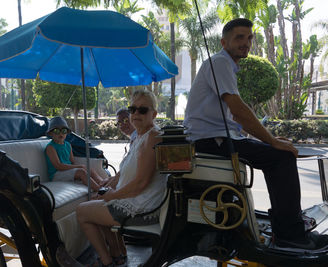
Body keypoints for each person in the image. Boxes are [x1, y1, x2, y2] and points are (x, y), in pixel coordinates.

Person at [183, 18, 328, 250]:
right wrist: (272, 141)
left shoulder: (225, 65)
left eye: (249, 37)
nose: (246, 43)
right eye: (239, 37)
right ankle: (290, 235)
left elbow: (235, 116)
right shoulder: (219, 62)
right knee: (282, 158)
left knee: (278, 151)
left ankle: (283, 225)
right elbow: (238, 110)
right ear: (224, 41)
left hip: (218, 138)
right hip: (210, 141)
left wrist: (269, 140)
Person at [76, 89, 167, 267]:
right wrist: (108, 185)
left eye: (142, 110)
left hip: (142, 208)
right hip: (138, 202)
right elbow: (125, 173)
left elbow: (141, 183)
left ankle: (106, 261)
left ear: (154, 114)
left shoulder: (153, 137)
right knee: (96, 200)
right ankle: (118, 255)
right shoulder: (141, 136)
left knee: (82, 211)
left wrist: (112, 195)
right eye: (132, 109)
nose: (135, 114)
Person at [45, 116, 106, 191]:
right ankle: (100, 190)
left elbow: (72, 162)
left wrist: (80, 167)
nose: (60, 133)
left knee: (89, 169)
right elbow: (58, 166)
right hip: (56, 174)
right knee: (81, 172)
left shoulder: (68, 145)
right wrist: (79, 167)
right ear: (51, 133)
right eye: (57, 131)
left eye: (63, 131)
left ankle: (104, 183)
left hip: (66, 172)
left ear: (67, 133)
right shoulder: (50, 147)